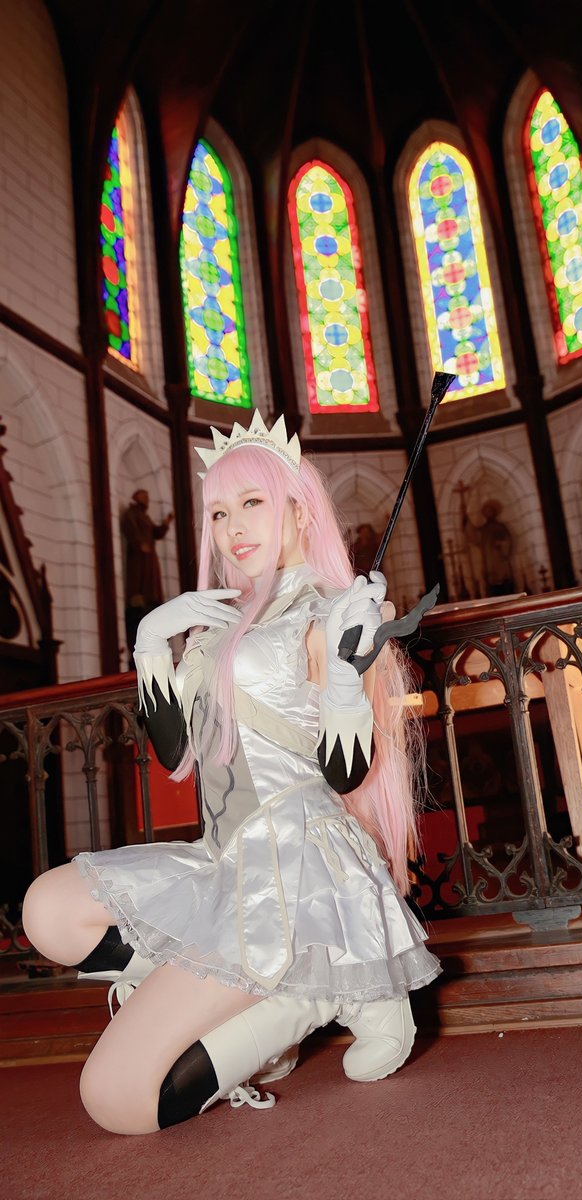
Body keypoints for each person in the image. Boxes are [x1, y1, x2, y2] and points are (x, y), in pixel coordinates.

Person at [22, 410, 440, 1135]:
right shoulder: (218, 619)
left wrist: (346, 672)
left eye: (252, 503)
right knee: (48, 912)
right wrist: (150, 643)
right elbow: (175, 753)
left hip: (293, 870)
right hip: (224, 861)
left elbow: (345, 775)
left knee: (117, 1100)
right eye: (218, 512)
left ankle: (311, 992)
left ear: (300, 513)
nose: (232, 527)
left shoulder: (330, 611)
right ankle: (276, 989)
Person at [121, 489, 174, 660]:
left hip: (149, 556)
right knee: (140, 578)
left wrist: (166, 522)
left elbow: (156, 533)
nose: (147, 500)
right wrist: (139, 544)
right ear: (136, 498)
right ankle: (138, 598)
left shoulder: (145, 516)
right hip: (138, 556)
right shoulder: (131, 513)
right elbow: (129, 528)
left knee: (151, 582)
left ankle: (151, 599)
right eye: (144, 497)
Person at [464, 499, 515, 597]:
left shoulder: (500, 527)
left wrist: (502, 544)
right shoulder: (483, 530)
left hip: (500, 563)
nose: (488, 513)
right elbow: (474, 535)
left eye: (490, 511)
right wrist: (466, 520)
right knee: (492, 591)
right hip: (489, 564)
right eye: (486, 512)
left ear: (494, 512)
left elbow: (508, 541)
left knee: (505, 588)